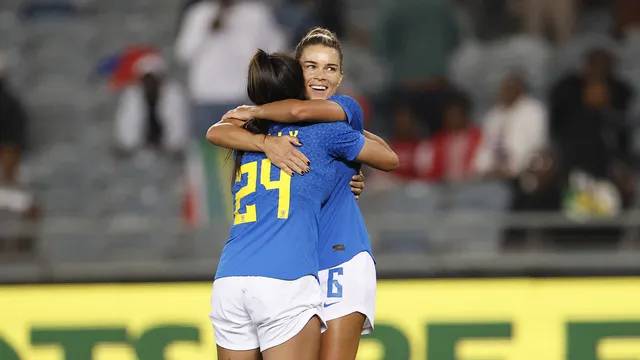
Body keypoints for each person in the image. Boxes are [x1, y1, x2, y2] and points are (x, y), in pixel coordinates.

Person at [208, 28, 395, 360]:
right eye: (311, 66)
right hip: (294, 265)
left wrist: (257, 112)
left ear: (341, 77)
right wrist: (265, 138)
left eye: (331, 68)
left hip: (338, 255)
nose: (321, 75)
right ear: (296, 70)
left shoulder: (339, 112)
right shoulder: (269, 132)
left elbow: (385, 156)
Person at [113, 54, 188, 154]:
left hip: (167, 149)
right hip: (139, 149)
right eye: (146, 78)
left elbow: (179, 122)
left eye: (153, 78)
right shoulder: (132, 96)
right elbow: (126, 124)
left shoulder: (173, 94)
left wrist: (173, 146)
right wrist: (130, 145)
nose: (150, 83)